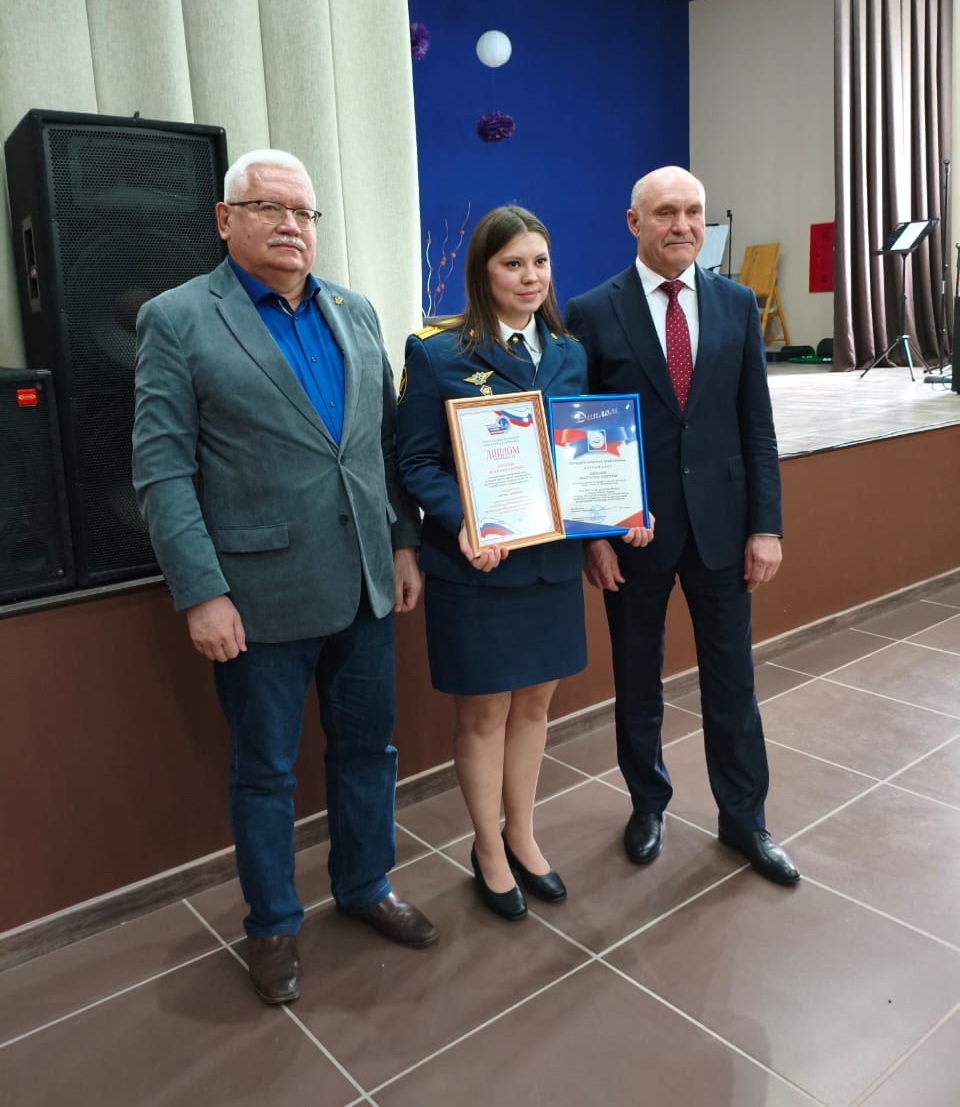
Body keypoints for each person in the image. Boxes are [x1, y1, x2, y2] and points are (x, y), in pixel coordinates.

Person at [132, 148, 438, 1007]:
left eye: (303, 212)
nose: (290, 225)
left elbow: (380, 448)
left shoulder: (354, 310)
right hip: (256, 598)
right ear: (225, 219)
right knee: (264, 771)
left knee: (369, 750)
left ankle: (366, 883)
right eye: (269, 207)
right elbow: (162, 470)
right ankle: (271, 924)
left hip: (364, 582)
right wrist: (201, 592)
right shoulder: (178, 319)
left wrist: (403, 544)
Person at [396, 205, 650, 921]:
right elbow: (416, 462)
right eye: (512, 263)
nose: (530, 276)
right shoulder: (438, 353)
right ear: (483, 272)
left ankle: (523, 835)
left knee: (535, 708)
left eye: (540, 261)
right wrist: (464, 521)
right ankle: (486, 848)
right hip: (478, 567)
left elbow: (582, 455)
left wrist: (615, 515)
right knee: (484, 716)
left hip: (549, 569)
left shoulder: (568, 352)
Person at [564, 166, 799, 886]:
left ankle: (745, 818)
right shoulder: (591, 311)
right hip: (634, 536)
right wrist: (593, 536)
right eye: (666, 212)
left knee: (733, 681)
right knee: (637, 679)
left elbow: (756, 426)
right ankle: (648, 805)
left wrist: (767, 526)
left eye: (694, 212)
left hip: (724, 529)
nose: (683, 226)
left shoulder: (736, 304)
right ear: (634, 223)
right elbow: (579, 432)